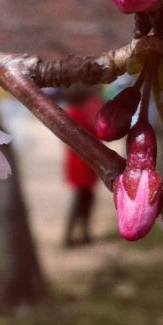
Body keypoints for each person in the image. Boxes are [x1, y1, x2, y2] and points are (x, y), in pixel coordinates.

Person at [60, 86, 101, 248]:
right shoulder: (77, 115)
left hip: (81, 163)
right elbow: (95, 134)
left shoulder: (71, 114)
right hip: (83, 164)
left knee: (85, 199)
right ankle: (71, 235)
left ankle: (83, 232)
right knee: (81, 200)